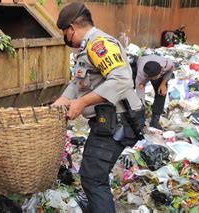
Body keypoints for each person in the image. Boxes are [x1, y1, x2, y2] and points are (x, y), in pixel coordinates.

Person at [51, 3, 143, 212]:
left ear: (71, 28)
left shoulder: (99, 44)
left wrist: (82, 102)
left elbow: (121, 80)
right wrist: (61, 102)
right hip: (108, 119)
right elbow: (78, 83)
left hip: (119, 120)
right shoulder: (87, 47)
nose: (65, 37)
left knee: (93, 179)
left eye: (65, 32)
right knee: (94, 176)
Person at [135, 55, 175, 130]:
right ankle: (139, 119)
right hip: (142, 64)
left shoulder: (167, 64)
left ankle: (155, 121)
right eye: (152, 78)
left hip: (158, 69)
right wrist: (141, 109)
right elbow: (140, 93)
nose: (154, 79)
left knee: (161, 92)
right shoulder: (141, 75)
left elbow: (171, 70)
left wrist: (163, 83)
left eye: (156, 77)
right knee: (137, 98)